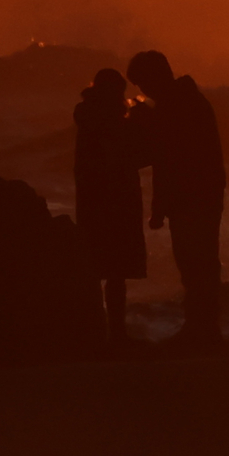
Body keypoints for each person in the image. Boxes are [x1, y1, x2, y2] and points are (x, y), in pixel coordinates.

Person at [132, 48, 226, 343]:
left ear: (155, 77)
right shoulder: (187, 100)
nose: (144, 91)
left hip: (192, 196)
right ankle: (203, 326)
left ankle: (202, 328)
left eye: (144, 84)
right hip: (204, 194)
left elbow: (167, 155)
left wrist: (146, 122)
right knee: (200, 261)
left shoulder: (174, 107)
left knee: (195, 262)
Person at [74, 67, 149, 345]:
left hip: (92, 201)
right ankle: (116, 333)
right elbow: (135, 154)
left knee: (95, 267)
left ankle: (96, 332)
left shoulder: (88, 118)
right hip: (117, 201)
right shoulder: (112, 123)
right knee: (116, 272)